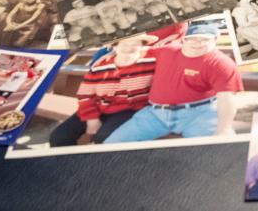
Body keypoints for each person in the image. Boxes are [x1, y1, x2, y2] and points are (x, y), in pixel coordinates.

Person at [104, 22, 243, 142]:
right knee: (113, 144)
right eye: (192, 39)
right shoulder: (167, 50)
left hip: (198, 114)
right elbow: (140, 50)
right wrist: (114, 53)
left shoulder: (221, 64)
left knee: (210, 152)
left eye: (204, 40)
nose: (197, 43)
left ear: (215, 41)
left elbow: (227, 99)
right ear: (184, 40)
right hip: (155, 114)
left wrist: (223, 130)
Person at [48, 36, 159, 147]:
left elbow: (171, 51)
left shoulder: (152, 61)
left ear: (142, 46)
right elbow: (85, 94)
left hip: (130, 110)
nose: (129, 48)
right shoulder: (100, 66)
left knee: (104, 138)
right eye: (124, 44)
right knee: (59, 137)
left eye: (135, 44)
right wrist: (92, 118)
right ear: (115, 47)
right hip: (99, 107)